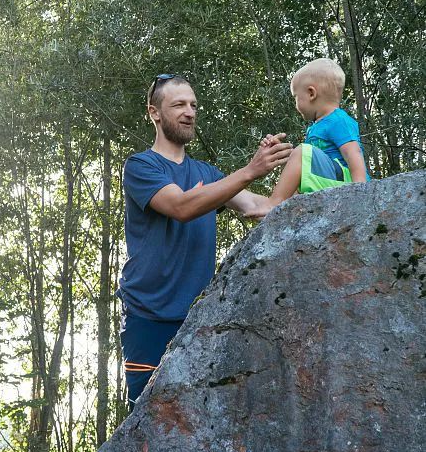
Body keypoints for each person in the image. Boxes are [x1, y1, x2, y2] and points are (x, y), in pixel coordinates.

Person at [118, 73, 293, 409]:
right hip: (148, 317)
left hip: (199, 318)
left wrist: (311, 175)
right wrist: (249, 171)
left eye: (193, 105)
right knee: (148, 419)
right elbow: (181, 207)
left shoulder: (208, 174)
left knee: (197, 415)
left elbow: (259, 206)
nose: (189, 112)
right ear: (154, 112)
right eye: (179, 104)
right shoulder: (141, 166)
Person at [252, 58, 369, 218]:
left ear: (311, 93)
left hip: (347, 182)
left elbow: (353, 152)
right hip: (328, 179)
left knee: (301, 152)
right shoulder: (316, 126)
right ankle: (284, 211)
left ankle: (274, 203)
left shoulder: (338, 119)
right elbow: (307, 163)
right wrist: (279, 151)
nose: (295, 104)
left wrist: (360, 188)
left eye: (296, 97)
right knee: (300, 158)